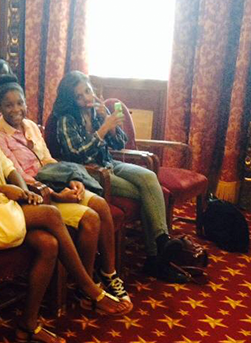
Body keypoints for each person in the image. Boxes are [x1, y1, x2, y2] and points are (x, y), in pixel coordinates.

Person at [0, 81, 132, 343]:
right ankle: (90, 289)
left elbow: (8, 169)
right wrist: (6, 191)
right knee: (51, 214)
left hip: (1, 206)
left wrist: (23, 190)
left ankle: (27, 325)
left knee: (48, 244)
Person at [0, 81, 130, 302]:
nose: (16, 109)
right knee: (90, 218)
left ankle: (108, 274)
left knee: (100, 205)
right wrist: (56, 194)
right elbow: (17, 176)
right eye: (9, 105)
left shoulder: (31, 126)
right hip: (37, 195)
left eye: (20, 103)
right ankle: (86, 284)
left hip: (54, 182)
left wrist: (72, 179)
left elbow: (48, 161)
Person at [46, 71, 186, 283]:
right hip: (87, 173)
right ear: (70, 99)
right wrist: (102, 130)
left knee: (149, 178)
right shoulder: (65, 119)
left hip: (109, 163)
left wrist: (108, 125)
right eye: (80, 96)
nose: (86, 99)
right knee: (145, 193)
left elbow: (121, 144)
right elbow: (76, 153)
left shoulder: (95, 112)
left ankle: (162, 240)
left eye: (88, 91)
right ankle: (155, 257)